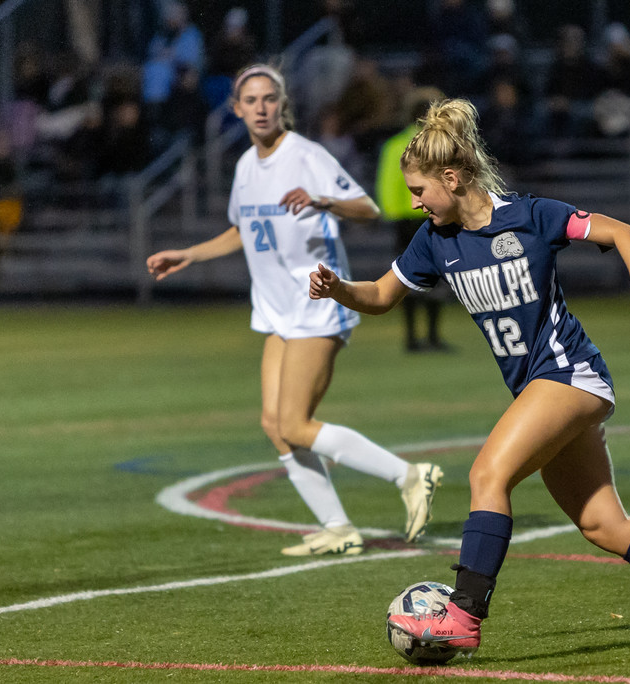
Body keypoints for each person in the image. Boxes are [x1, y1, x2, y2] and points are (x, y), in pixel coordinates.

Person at [309, 98, 630, 653]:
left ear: (452, 178)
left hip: (570, 374)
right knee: (601, 525)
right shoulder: (435, 241)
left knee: (487, 475)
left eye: (420, 190)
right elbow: (379, 295)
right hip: (543, 388)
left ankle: (464, 617)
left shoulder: (531, 215)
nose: (414, 201)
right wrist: (340, 290)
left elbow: (622, 232)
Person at [146, 64, 444, 556]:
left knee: (295, 424)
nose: (261, 108)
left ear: (280, 105)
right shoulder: (245, 167)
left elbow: (366, 208)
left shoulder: (306, 156)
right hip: (276, 311)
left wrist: (323, 201)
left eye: (269, 99)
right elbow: (243, 231)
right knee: (274, 424)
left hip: (317, 304)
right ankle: (338, 527)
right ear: (236, 109)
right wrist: (189, 253)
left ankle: (410, 475)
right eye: (251, 100)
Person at [375, 86, 451, 352]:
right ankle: (428, 337)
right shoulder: (437, 147)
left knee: (408, 279)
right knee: (433, 278)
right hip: (423, 218)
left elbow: (386, 186)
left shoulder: (396, 144)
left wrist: (393, 214)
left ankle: (415, 338)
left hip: (406, 221)